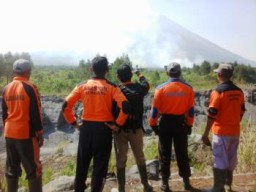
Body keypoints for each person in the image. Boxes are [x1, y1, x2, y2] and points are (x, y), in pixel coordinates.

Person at [62, 56, 130, 192]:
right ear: (106, 70)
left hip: (86, 129)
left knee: (82, 166)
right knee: (99, 168)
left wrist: (74, 123)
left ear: (91, 69)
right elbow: (126, 107)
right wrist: (117, 124)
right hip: (104, 130)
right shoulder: (112, 87)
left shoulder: (82, 85)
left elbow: (65, 106)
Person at [148, 62, 195, 192]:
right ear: (179, 73)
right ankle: (186, 183)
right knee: (182, 153)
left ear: (167, 73)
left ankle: (165, 184)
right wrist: (189, 124)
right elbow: (191, 111)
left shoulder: (160, 88)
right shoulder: (188, 88)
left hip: (165, 123)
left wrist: (153, 124)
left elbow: (154, 111)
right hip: (180, 123)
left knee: (164, 154)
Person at [201, 63, 245, 192]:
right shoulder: (239, 91)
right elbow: (241, 111)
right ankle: (228, 186)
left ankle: (218, 188)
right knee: (231, 159)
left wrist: (205, 134)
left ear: (219, 75)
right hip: (235, 131)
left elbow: (212, 114)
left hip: (221, 132)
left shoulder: (218, 91)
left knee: (220, 159)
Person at [1, 59, 44, 192]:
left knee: (12, 168)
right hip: (25, 133)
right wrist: (40, 134)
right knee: (33, 169)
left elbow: (4, 115)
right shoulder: (30, 87)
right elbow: (36, 112)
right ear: (28, 72)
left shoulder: (6, 88)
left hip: (9, 133)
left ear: (14, 72)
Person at [113, 64, 153, 192]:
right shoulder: (139, 88)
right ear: (131, 75)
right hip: (136, 129)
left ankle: (121, 189)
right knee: (140, 157)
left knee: (121, 159)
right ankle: (146, 186)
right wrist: (139, 73)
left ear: (118, 77)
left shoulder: (116, 90)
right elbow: (146, 83)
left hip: (120, 130)